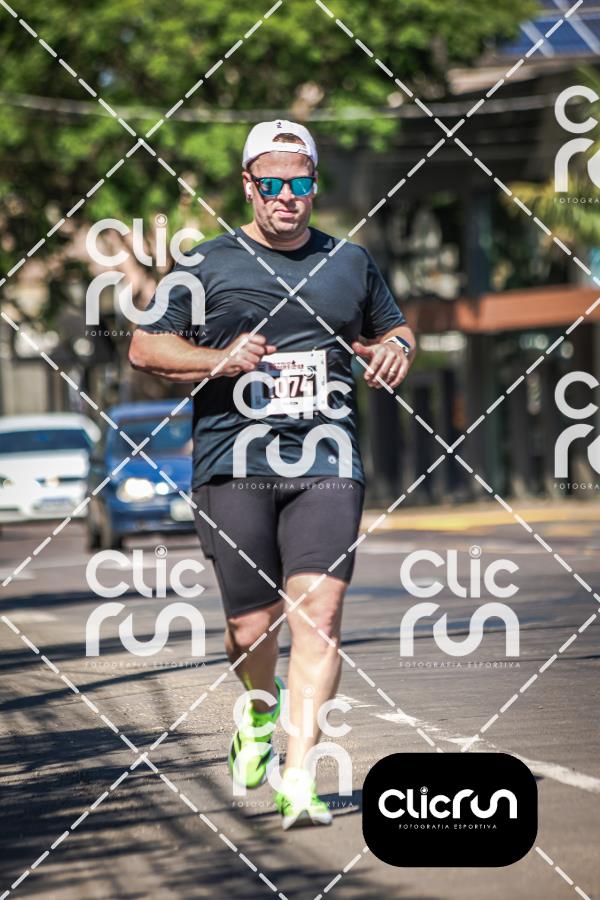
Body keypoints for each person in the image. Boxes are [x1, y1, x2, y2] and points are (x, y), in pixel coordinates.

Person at [129, 119, 416, 829]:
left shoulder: (350, 262)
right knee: (250, 627)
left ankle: (298, 773)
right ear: (249, 186)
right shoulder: (205, 266)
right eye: (273, 183)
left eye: (300, 181)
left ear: (313, 185)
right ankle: (259, 711)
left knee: (318, 614)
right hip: (233, 464)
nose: (287, 195)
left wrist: (397, 349)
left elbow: (394, 328)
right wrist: (218, 360)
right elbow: (145, 347)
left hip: (328, 461)